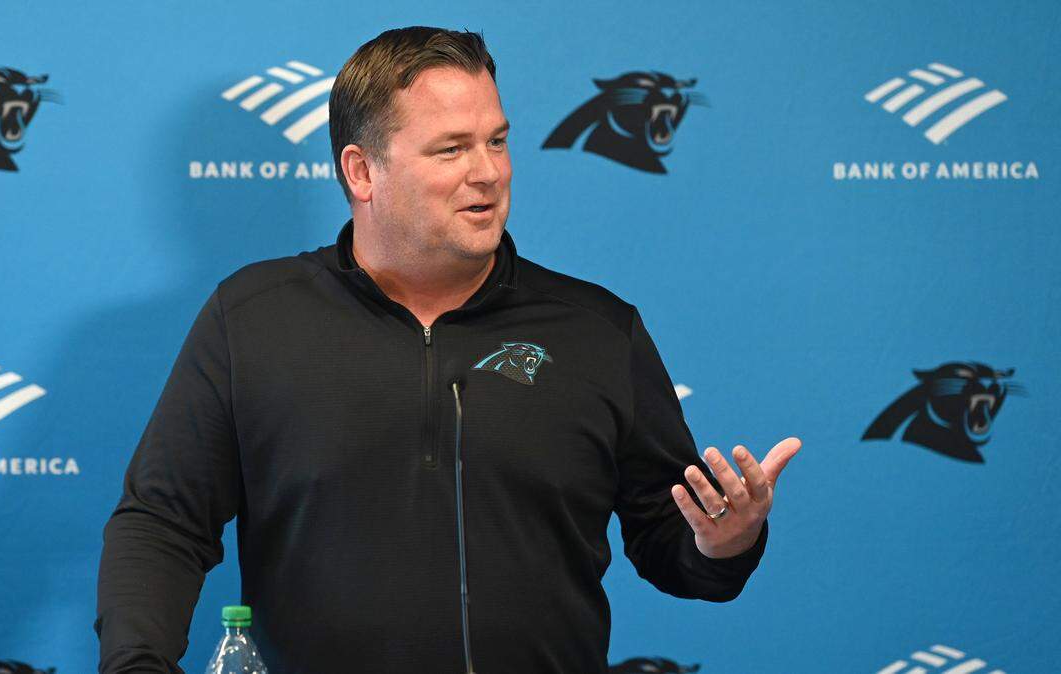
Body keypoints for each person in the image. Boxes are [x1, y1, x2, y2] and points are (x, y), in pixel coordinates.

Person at [95, 25, 800, 674]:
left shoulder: (597, 330)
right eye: (452, 149)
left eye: (496, 141)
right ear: (362, 172)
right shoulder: (251, 319)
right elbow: (162, 524)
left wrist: (723, 541)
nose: (489, 172)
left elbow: (670, 544)